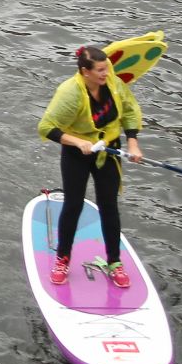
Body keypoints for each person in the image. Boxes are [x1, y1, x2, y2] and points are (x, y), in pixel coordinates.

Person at [38, 44, 146, 288]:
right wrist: (78, 141)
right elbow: (46, 128)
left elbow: (129, 111)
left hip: (108, 151)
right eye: (100, 70)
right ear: (85, 72)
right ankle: (63, 260)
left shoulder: (114, 84)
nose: (106, 73)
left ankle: (115, 262)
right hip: (77, 154)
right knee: (73, 205)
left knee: (109, 206)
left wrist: (133, 143)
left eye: (106, 68)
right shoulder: (70, 93)